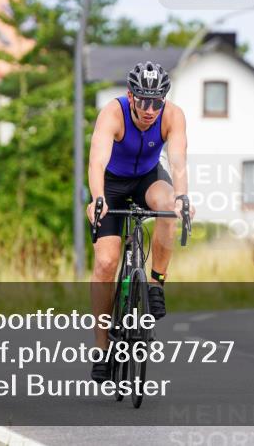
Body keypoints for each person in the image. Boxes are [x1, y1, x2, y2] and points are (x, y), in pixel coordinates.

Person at [85, 61, 193, 382]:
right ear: (130, 96)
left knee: (169, 204)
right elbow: (97, 160)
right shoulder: (113, 113)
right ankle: (102, 348)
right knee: (106, 263)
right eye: (143, 101)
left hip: (147, 178)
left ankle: (156, 283)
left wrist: (183, 197)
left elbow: (178, 162)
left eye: (156, 102)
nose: (149, 109)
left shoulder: (173, 116)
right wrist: (98, 198)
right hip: (112, 185)